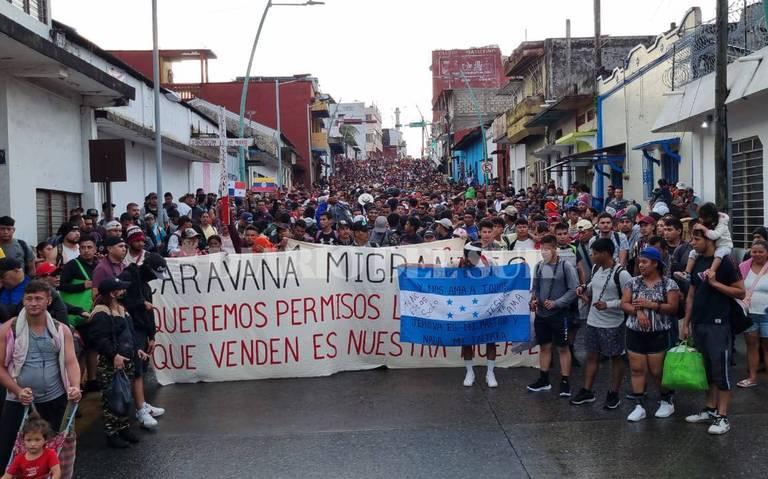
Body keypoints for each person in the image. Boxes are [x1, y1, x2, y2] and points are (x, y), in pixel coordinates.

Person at [0, 281, 81, 466]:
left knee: (54, 452)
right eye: (29, 298)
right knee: (8, 453)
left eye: (38, 298)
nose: (33, 303)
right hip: (17, 401)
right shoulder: (9, 329)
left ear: (49, 301)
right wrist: (17, 390)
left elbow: (71, 362)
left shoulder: (61, 330)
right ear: (23, 300)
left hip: (54, 399)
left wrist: (75, 386)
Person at [681, 229, 745, 435]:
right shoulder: (697, 260)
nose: (692, 243)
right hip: (699, 323)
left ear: (710, 240)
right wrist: (686, 322)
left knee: (721, 371)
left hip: (719, 324)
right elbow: (691, 294)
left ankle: (723, 416)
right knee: (706, 370)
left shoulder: (726, 262)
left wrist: (716, 283)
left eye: (697, 239)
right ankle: (710, 409)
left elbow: (740, 291)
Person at [571, 238, 632, 409]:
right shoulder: (597, 268)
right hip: (593, 321)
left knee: (616, 357)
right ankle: (587, 390)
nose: (592, 256)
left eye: (595, 253)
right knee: (592, 356)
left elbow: (629, 300)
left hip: (613, 323)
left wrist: (609, 305)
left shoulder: (622, 273)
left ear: (605, 253)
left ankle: (614, 393)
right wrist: (584, 288)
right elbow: (593, 285)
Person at [620, 247, 679, 422]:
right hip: (634, 331)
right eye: (640, 262)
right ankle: (639, 405)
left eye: (645, 262)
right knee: (637, 369)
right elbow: (624, 303)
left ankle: (666, 400)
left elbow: (673, 308)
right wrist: (637, 311)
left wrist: (652, 305)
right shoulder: (633, 282)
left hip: (658, 332)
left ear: (655, 263)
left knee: (657, 370)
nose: (641, 265)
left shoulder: (669, 284)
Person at [89, 277, 142, 448]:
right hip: (111, 363)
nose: (123, 291)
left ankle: (124, 428)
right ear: (112, 293)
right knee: (112, 399)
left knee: (125, 397)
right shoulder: (101, 313)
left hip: (127, 361)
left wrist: (136, 350)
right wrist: (113, 355)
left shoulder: (121, 309)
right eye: (120, 289)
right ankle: (112, 433)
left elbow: (129, 334)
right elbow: (100, 339)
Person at [118, 254, 167, 429]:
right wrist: (140, 303)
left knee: (140, 368)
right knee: (136, 369)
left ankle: (142, 404)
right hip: (126, 328)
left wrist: (152, 336)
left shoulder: (145, 286)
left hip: (140, 330)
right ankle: (139, 409)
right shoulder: (127, 277)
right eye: (154, 273)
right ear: (147, 267)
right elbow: (117, 300)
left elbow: (149, 311)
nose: (155, 277)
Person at [527, 235, 579, 397]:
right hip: (542, 314)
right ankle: (543, 379)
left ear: (555, 248)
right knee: (544, 346)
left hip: (560, 314)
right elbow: (535, 288)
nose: (544, 252)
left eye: (547, 249)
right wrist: (534, 300)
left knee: (563, 348)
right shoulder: (539, 267)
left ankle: (565, 381)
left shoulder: (566, 266)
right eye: (542, 249)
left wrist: (557, 303)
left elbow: (574, 290)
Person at [59, 235, 99, 391]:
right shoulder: (72, 265)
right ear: (79, 249)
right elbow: (62, 287)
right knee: (79, 351)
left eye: (89, 247)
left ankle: (92, 380)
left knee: (92, 347)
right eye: (83, 248)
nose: (86, 251)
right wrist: (84, 285)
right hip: (75, 315)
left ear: (95, 249)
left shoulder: (97, 265)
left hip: (91, 313)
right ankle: (78, 383)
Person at [459, 242, 498, 388]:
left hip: (487, 306)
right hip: (467, 307)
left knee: (491, 339)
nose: (471, 262)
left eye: (474, 258)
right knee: (467, 340)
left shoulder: (489, 263)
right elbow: (437, 270)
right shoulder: (458, 263)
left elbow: (501, 280)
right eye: (468, 258)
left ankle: (490, 372)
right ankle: (470, 372)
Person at [737, 240, 768, 387]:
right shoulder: (744, 267)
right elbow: (737, 287)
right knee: (751, 345)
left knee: (767, 347)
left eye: (761, 251)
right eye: (754, 251)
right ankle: (752, 378)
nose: (757, 254)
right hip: (748, 313)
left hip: (766, 315)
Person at [676, 202, 733, 283]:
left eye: (697, 239)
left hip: (724, 245)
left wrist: (703, 228)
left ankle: (710, 272)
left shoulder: (721, 222)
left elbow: (714, 235)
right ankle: (686, 273)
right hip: (715, 245)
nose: (700, 220)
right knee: (692, 252)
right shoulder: (710, 222)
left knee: (718, 254)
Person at [2, 415, 61, 479]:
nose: (32, 444)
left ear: (45, 440)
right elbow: (7, 476)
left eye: (37, 440)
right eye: (28, 440)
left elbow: (57, 473)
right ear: (23, 440)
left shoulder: (50, 454)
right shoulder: (19, 459)